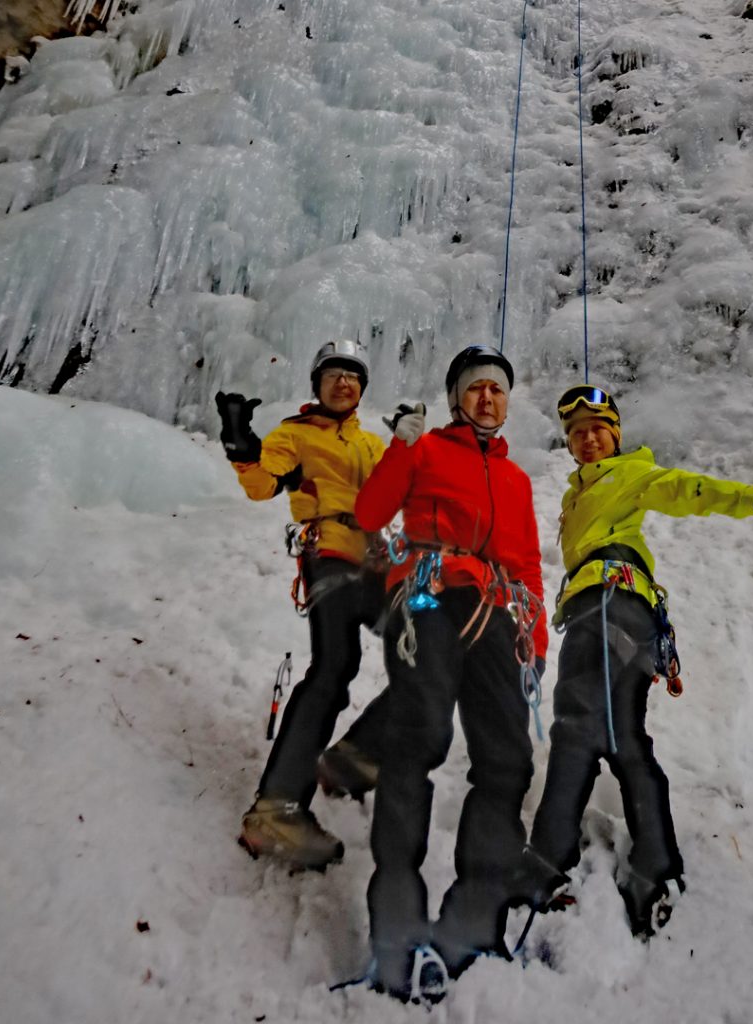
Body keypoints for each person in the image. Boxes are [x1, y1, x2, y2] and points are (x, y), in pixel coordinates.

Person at [525, 384, 753, 938]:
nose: (589, 439)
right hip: (616, 614)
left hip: (610, 606)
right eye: (577, 433)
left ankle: (552, 862)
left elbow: (686, 488)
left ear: (616, 435)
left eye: (598, 429)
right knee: (617, 738)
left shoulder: (631, 474)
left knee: (579, 731)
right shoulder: (577, 494)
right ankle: (653, 870)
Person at [353, 344, 548, 1001]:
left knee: (506, 761)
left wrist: (535, 641)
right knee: (420, 738)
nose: (487, 398)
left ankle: (470, 927)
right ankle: (396, 932)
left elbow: (526, 566)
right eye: (475, 389)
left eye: (497, 389)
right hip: (430, 591)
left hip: (497, 612)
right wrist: (401, 448)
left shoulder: (516, 480)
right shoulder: (429, 450)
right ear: (456, 398)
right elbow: (370, 514)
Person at [215, 339, 388, 871]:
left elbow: (405, 490)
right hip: (330, 554)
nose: (343, 383)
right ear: (317, 385)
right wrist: (242, 446)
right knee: (335, 664)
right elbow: (265, 483)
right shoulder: (295, 435)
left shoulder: (372, 444)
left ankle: (355, 757)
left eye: (352, 376)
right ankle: (277, 808)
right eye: (333, 374)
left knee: (433, 650)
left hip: (379, 562)